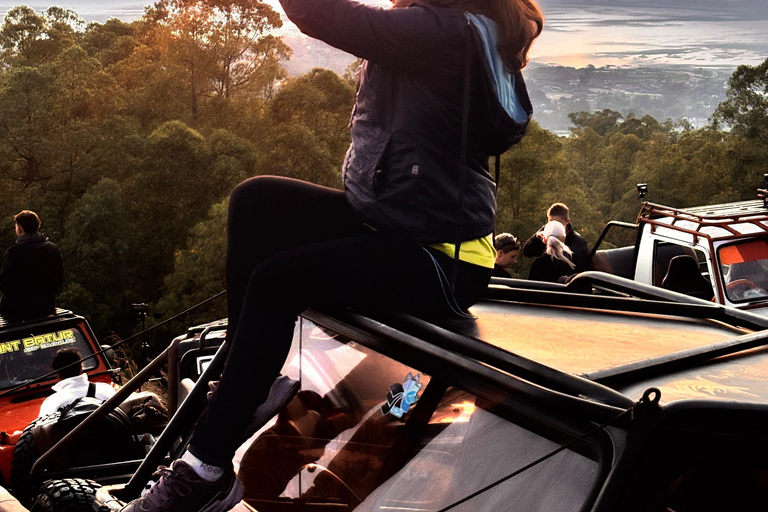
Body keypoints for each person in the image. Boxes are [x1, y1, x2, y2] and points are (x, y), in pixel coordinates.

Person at [121, 0, 543, 509]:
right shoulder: (460, 30)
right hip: (405, 220)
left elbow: (316, 12)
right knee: (256, 203)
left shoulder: (440, 33)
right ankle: (246, 386)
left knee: (278, 281)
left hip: (443, 259)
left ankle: (205, 470)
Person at [0, 211, 63, 321]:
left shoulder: (13, 253)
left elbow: (4, 285)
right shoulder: (53, 250)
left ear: (20, 228)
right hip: (47, 308)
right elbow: (60, 279)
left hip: (16, 312)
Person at [38, 347, 116, 418]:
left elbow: (41, 430)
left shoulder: (52, 403)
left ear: (59, 374)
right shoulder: (106, 390)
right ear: (81, 366)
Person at [523, 203, 590, 274]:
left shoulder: (578, 242)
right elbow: (527, 252)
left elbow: (583, 268)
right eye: (551, 222)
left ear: (567, 221)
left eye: (558, 222)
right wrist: (537, 239)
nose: (555, 226)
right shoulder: (543, 234)